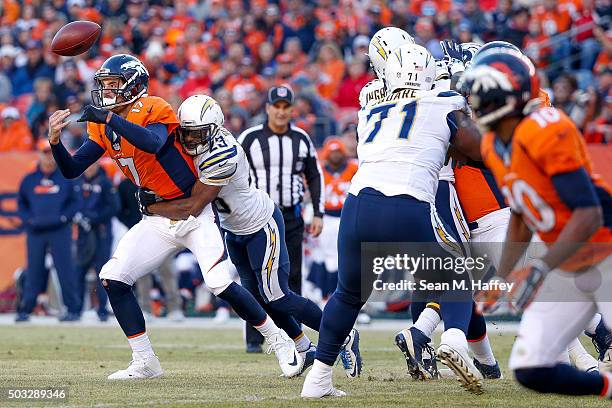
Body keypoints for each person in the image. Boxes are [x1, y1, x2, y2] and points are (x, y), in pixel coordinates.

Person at [47, 54, 301, 380]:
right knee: (113, 278)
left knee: (219, 282)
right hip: (157, 216)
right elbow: (71, 169)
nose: (107, 91)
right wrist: (54, 141)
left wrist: (110, 119)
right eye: (104, 85)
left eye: (113, 85)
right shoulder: (101, 124)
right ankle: (145, 361)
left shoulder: (154, 106)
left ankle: (278, 340)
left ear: (133, 86)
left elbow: (152, 143)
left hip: (193, 210)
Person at [301, 43, 484, 398]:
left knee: (348, 293)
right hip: (407, 202)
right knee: (457, 273)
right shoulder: (444, 102)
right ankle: (456, 340)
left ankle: (318, 379)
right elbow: (478, 151)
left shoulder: (371, 108)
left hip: (359, 204)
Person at [142, 94, 360, 376]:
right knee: (259, 298)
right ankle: (304, 348)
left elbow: (194, 205)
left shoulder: (223, 153)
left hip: (259, 225)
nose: (191, 140)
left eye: (198, 134)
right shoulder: (191, 143)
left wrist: (152, 205)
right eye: (187, 133)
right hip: (234, 230)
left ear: (215, 129)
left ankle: (343, 334)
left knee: (278, 295)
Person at [461, 50, 612, 397]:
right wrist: (502, 276)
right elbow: (520, 213)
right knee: (531, 369)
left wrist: (541, 269)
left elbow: (588, 213)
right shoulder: (492, 144)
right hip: (568, 260)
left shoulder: (547, 128)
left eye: (481, 92)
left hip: (604, 249)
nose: (474, 102)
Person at [238, 85, 324, 352]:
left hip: (291, 215)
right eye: (277, 106)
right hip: (257, 218)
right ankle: (255, 338)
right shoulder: (250, 138)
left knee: (291, 277)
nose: (281, 112)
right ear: (268, 108)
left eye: (286, 107)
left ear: (292, 110)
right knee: (255, 278)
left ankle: (295, 337)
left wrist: (318, 212)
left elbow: (314, 175)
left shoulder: (301, 139)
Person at [16, 139, 81, 322]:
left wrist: (63, 218)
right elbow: (21, 204)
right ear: (38, 155)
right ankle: (26, 309)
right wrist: (28, 219)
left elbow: (76, 202)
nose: (49, 157)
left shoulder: (65, 177)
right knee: (34, 270)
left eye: (51, 153)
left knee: (65, 270)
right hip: (36, 231)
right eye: (45, 153)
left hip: (59, 231)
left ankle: (73, 309)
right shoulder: (29, 180)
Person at [75, 161, 120, 322]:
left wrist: (94, 218)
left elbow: (115, 207)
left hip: (101, 233)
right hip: (83, 234)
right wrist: (79, 216)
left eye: (92, 164)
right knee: (79, 269)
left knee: (102, 272)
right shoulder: (78, 182)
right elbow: (72, 203)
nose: (89, 167)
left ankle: (102, 309)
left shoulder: (105, 183)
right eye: (87, 165)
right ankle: (76, 309)